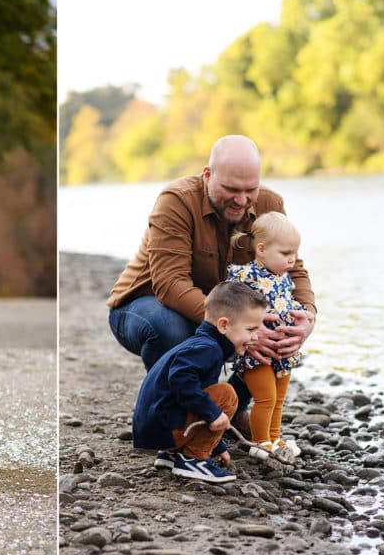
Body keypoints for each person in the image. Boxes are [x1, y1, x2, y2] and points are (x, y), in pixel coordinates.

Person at [107, 135, 316, 436]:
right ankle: (178, 420)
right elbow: (169, 283)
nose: (242, 200)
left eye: (250, 190)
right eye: (231, 189)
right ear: (207, 175)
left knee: (275, 326)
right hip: (144, 306)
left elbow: (293, 269)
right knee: (171, 329)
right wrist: (236, 327)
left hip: (218, 313)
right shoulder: (176, 201)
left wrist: (307, 317)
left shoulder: (271, 205)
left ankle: (231, 407)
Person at [132, 281, 267, 483]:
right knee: (226, 395)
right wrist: (213, 416)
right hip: (163, 428)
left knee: (209, 397)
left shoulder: (201, 345)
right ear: (223, 325)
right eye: (251, 329)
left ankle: (171, 454)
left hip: (154, 429)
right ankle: (192, 460)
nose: (256, 337)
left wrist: (217, 446)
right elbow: (180, 380)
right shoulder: (208, 348)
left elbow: (192, 396)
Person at [228, 212, 305, 459]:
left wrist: (305, 316)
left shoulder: (284, 277)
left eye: (294, 253)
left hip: (282, 351)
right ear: (261, 249)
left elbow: (289, 302)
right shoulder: (246, 277)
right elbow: (233, 307)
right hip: (257, 352)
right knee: (265, 399)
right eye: (285, 254)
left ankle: (274, 438)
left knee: (279, 398)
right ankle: (260, 443)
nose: (292, 260)